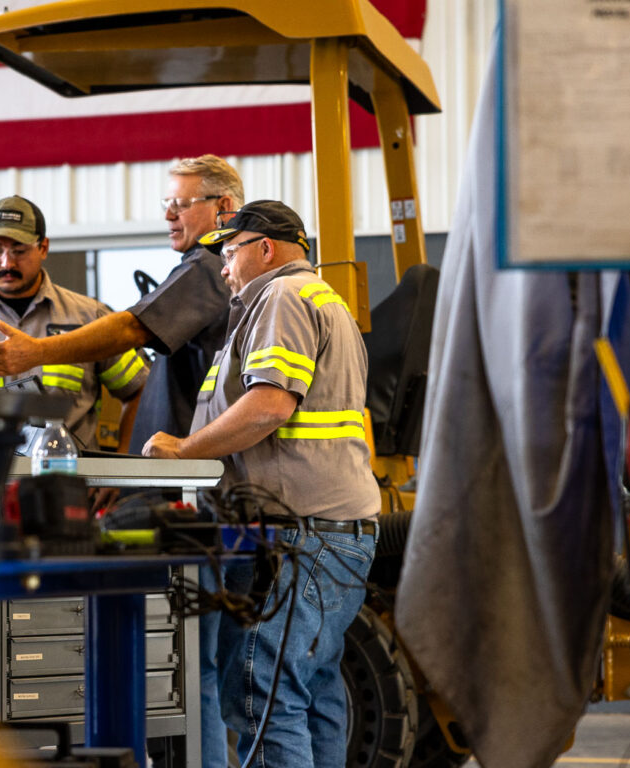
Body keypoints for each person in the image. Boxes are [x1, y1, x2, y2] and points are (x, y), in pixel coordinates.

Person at [0, 155, 243, 767]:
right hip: (80, 500)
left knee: (197, 672)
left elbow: (132, 331)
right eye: (168, 203)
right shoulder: (201, 268)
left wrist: (34, 354)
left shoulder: (209, 269)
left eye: (181, 203)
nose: (168, 213)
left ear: (223, 211)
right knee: (194, 673)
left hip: (180, 499)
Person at [143, 201, 381, 767]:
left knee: (261, 696)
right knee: (313, 693)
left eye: (228, 253)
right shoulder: (324, 300)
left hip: (298, 538)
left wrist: (184, 449)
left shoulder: (279, 297)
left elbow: (268, 405)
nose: (224, 269)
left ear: (264, 249)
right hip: (332, 535)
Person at [0, 195, 149, 452]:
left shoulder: (90, 318)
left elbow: (140, 390)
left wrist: (122, 464)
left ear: (43, 248)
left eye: (19, 249)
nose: (7, 263)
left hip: (67, 480)